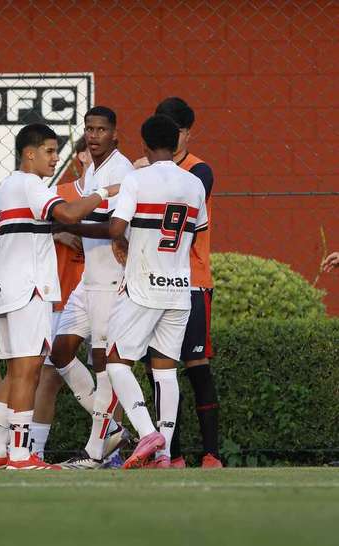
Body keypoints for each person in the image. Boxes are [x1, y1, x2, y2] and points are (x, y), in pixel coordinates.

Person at [0, 123, 120, 470]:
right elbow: (69, 214)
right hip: (28, 287)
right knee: (28, 371)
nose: (55, 157)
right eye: (48, 150)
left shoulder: (9, 186)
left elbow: (55, 224)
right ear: (29, 153)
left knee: (16, 372)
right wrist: (107, 191)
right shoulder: (29, 183)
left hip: (7, 286)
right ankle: (18, 455)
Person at [105, 115, 209, 469]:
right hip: (180, 287)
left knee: (116, 360)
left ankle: (149, 432)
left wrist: (119, 239)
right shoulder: (194, 184)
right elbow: (198, 228)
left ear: (145, 145)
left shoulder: (136, 179)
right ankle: (164, 455)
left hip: (142, 285)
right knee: (166, 371)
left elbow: (116, 225)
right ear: (176, 142)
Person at [47, 106, 135, 469]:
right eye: (89, 129)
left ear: (115, 134)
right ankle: (113, 428)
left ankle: (96, 450)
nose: (94, 135)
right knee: (60, 352)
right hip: (89, 277)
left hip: (112, 277)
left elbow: (115, 228)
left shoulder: (122, 170)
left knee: (103, 360)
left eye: (101, 129)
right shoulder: (91, 168)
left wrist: (73, 227)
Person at [137, 97, 222, 468]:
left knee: (196, 364)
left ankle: (211, 453)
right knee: (158, 368)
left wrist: (147, 173)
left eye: (177, 127)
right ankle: (173, 452)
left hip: (192, 279)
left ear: (186, 133)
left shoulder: (199, 171)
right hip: (154, 281)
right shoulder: (144, 172)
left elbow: (190, 194)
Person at [30, 137, 91, 460]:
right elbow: (33, 227)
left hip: (104, 292)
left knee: (113, 371)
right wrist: (60, 234)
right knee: (50, 373)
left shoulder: (117, 190)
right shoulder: (59, 194)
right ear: (79, 155)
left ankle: (109, 448)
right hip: (64, 294)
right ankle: (35, 451)